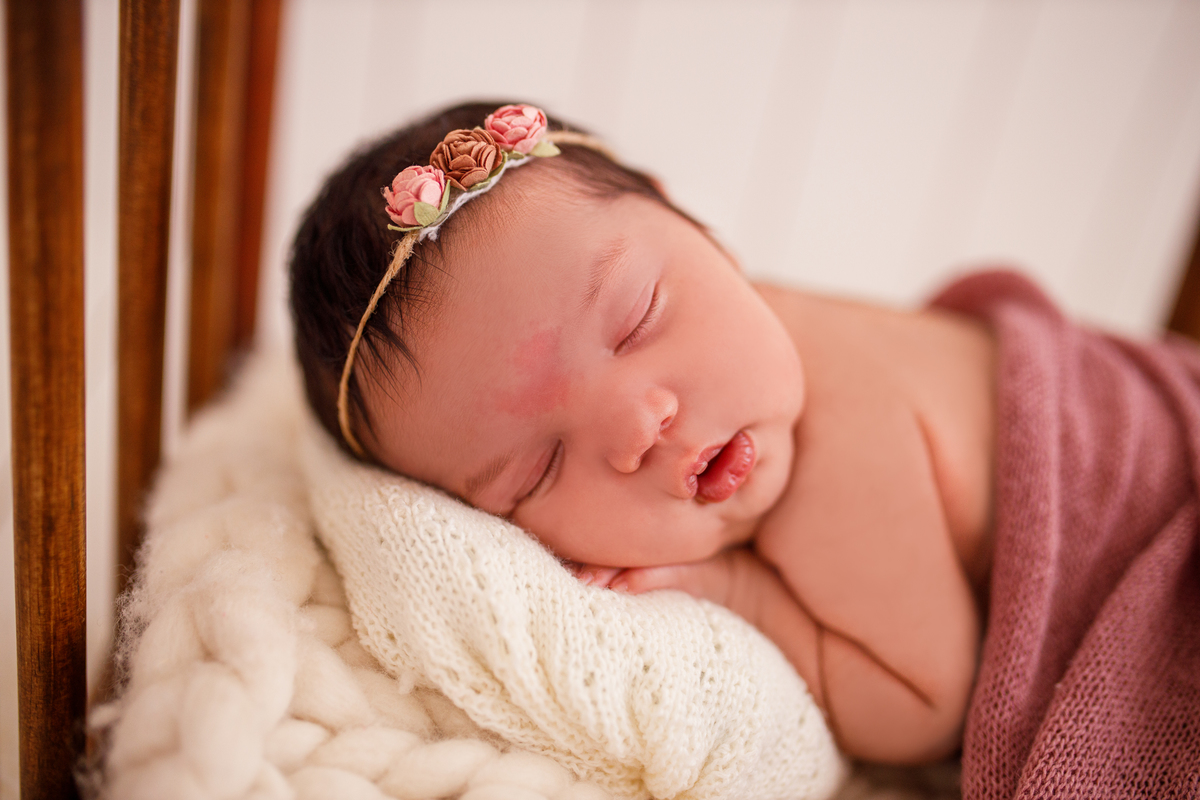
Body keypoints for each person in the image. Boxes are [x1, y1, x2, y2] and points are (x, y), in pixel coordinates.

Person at [289, 102, 1200, 790]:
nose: (640, 424)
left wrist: (740, 592)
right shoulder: (743, 358)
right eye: (540, 467)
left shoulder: (845, 444)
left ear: (703, 233)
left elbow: (924, 701)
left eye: (638, 319)